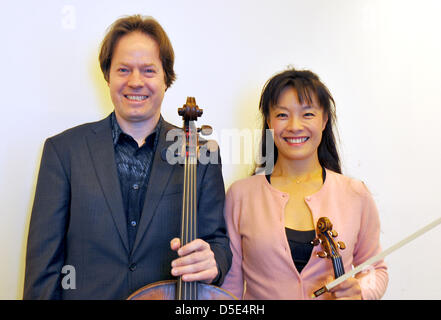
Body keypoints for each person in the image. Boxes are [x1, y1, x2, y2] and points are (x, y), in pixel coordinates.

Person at [23, 14, 231, 299]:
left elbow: (217, 242)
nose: (135, 82)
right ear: (107, 75)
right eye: (123, 70)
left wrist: (213, 262)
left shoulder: (202, 153)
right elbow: (44, 270)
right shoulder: (63, 151)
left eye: (148, 70)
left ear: (166, 78)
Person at [221, 68, 388, 299]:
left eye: (308, 114)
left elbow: (374, 269)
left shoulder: (355, 193)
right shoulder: (240, 195)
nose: (294, 126)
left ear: (324, 120)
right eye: (282, 115)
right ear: (268, 121)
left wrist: (361, 290)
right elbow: (230, 285)